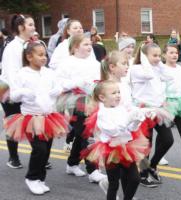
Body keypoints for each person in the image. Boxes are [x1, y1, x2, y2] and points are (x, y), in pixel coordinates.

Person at [3, 41, 69, 195]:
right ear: (29, 57)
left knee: (46, 150)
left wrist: (56, 90)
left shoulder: (49, 72)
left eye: (45, 54)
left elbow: (58, 86)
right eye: (40, 55)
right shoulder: (22, 74)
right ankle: (31, 178)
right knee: (39, 149)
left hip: (49, 117)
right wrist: (24, 92)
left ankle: (40, 178)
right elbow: (13, 95)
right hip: (31, 118)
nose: (44, 57)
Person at [81, 80, 150, 200]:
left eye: (118, 92)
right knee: (114, 183)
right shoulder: (102, 114)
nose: (118, 95)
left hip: (126, 148)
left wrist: (137, 119)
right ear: (102, 97)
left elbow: (129, 129)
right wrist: (129, 119)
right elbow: (113, 131)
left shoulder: (121, 109)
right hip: (111, 150)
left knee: (135, 179)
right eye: (113, 93)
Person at [55, 34, 106, 184]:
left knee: (82, 134)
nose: (90, 47)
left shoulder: (94, 63)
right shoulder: (67, 63)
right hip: (74, 101)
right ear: (75, 47)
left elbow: (99, 80)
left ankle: (72, 163)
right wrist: (77, 83)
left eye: (90, 44)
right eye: (85, 44)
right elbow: (59, 83)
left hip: (92, 100)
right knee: (87, 134)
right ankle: (93, 170)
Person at [130, 43, 174, 187]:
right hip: (144, 112)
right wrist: (143, 58)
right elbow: (148, 75)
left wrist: (159, 63)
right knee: (146, 145)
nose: (157, 58)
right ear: (144, 56)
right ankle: (142, 175)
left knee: (168, 140)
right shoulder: (137, 69)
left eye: (159, 55)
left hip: (158, 110)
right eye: (154, 55)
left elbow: (168, 76)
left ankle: (152, 166)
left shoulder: (157, 68)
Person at [1, 14, 36, 169]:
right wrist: (18, 93)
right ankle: (13, 157)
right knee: (14, 122)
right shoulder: (12, 47)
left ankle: (39, 154)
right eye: (30, 25)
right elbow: (11, 74)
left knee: (32, 121)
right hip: (10, 89)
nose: (34, 28)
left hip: (27, 89)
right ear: (21, 28)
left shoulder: (32, 45)